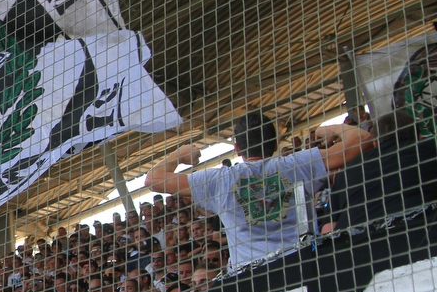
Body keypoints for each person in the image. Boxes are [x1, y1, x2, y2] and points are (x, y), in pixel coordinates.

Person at [145, 111, 372, 269]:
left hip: (250, 277)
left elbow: (153, 180)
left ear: (237, 148)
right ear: (275, 144)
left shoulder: (219, 180)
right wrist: (326, 130)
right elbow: (362, 139)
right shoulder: (297, 164)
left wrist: (180, 154)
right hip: (301, 263)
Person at [323, 111, 437, 233]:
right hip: (423, 239)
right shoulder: (430, 150)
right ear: (419, 137)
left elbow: (328, 229)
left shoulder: (346, 172)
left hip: (357, 247)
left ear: (375, 143)